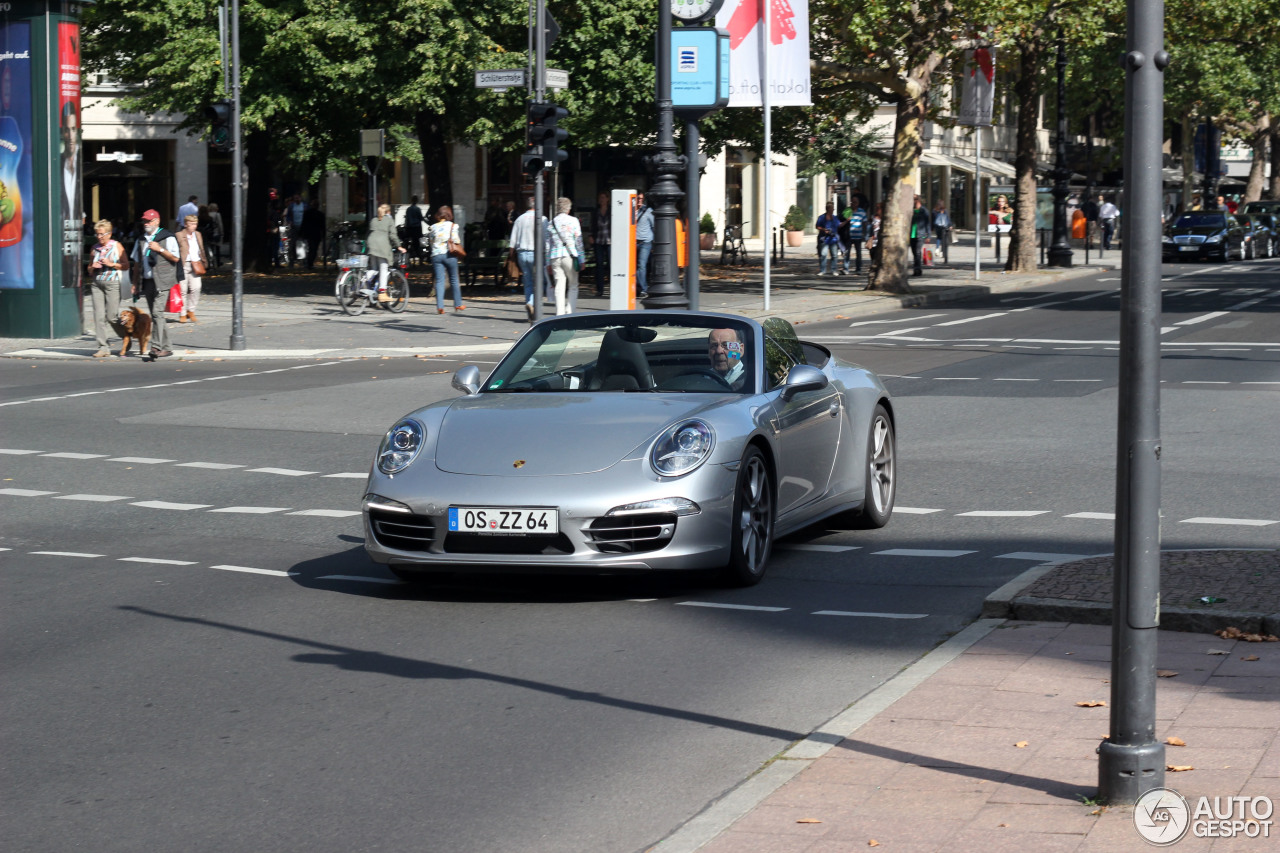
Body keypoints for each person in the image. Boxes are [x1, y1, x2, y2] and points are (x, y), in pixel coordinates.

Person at [128, 209, 177, 358]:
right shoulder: (141, 239)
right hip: (148, 281)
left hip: (163, 280)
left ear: (157, 221)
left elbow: (175, 258)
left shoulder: (167, 237)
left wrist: (160, 249)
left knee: (157, 313)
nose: (146, 224)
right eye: (144, 221)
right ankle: (167, 347)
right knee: (158, 315)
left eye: (149, 221)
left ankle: (156, 347)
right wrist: (135, 283)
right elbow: (136, 263)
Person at [86, 219, 127, 358]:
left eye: (102, 234)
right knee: (98, 316)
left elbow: (126, 265)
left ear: (109, 234)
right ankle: (103, 347)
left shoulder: (117, 246)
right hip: (97, 284)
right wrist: (93, 267)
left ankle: (126, 336)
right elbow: (89, 269)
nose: (99, 237)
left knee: (112, 316)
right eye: (97, 234)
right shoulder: (94, 248)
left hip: (113, 283)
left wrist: (112, 264)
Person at [508, 197, 548, 323]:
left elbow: (512, 240)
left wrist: (511, 255)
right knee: (540, 282)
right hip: (536, 254)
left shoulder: (520, 219)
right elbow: (546, 238)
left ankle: (529, 310)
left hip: (522, 254)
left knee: (528, 281)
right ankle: (532, 304)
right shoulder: (542, 219)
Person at [547, 197, 585, 315]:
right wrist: (582, 259)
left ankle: (559, 313)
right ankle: (570, 311)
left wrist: (547, 262)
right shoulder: (574, 221)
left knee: (559, 285)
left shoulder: (551, 223)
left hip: (555, 256)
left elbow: (547, 244)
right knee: (573, 284)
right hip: (570, 255)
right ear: (568, 209)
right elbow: (578, 242)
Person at [428, 205, 465, 314]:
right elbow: (456, 240)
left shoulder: (433, 227)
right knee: (454, 279)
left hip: (436, 256)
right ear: (449, 214)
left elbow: (431, 242)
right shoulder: (452, 226)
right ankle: (458, 304)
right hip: (449, 255)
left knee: (439, 281)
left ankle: (440, 306)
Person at [366, 202, 403, 304]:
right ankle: (382, 292)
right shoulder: (389, 220)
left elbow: (370, 232)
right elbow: (393, 235)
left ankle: (364, 281)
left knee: (373, 269)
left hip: (371, 244)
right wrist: (399, 246)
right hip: (382, 246)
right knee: (383, 268)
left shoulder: (373, 220)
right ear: (388, 212)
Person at [176, 213, 208, 323]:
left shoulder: (198, 234)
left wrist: (204, 261)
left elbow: (201, 248)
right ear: (185, 224)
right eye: (191, 224)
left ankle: (191, 310)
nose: (194, 226)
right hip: (184, 264)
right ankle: (183, 313)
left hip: (196, 264)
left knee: (196, 287)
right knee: (182, 290)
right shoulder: (179, 235)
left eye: (195, 224)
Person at [839, 200, 869, 274]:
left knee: (858, 253)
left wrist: (866, 235)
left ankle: (858, 269)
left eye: (855, 202)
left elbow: (865, 223)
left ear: (858, 203)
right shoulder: (848, 210)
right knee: (847, 253)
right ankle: (846, 269)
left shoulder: (862, 212)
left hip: (858, 236)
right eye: (852, 202)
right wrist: (846, 219)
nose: (853, 204)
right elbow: (842, 219)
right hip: (848, 236)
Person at [633, 192, 654, 298]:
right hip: (633, 242)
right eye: (638, 198)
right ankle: (638, 288)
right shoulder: (630, 211)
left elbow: (654, 226)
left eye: (641, 199)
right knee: (633, 267)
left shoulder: (648, 211)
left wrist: (653, 243)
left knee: (641, 265)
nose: (639, 200)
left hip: (645, 242)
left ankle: (643, 289)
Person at [591, 192, 610, 297]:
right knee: (599, 265)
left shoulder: (611, 210)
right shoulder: (596, 211)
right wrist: (591, 235)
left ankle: (613, 287)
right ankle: (600, 289)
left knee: (611, 264)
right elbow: (592, 224)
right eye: (600, 198)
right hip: (598, 240)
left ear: (607, 199)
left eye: (603, 197)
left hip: (609, 240)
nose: (601, 200)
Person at [815, 201, 842, 276]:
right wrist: (824, 230)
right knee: (823, 254)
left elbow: (839, 225)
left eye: (833, 208)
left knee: (834, 255)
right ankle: (822, 270)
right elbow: (817, 226)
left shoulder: (835, 218)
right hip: (824, 239)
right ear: (828, 209)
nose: (833, 210)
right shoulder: (821, 217)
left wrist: (847, 221)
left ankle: (834, 270)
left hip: (833, 239)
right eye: (832, 208)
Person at [910, 196, 931, 276]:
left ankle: (917, 269)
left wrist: (928, 236)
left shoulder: (924, 211)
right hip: (912, 234)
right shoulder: (911, 210)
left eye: (914, 199)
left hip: (920, 234)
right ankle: (917, 268)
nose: (913, 201)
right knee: (914, 252)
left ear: (918, 201)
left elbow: (927, 224)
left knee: (918, 252)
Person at [301, 202, 325, 268]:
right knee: (314, 249)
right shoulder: (320, 214)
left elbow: (303, 224)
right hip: (316, 234)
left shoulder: (307, 213)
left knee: (311, 248)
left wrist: (301, 233)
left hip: (309, 234)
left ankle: (309, 263)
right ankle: (310, 263)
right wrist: (323, 234)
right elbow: (323, 226)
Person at [404, 195, 425, 262]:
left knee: (407, 243)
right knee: (417, 244)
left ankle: (407, 257)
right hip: (416, 228)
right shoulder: (417, 209)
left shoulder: (408, 209)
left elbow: (407, 219)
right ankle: (420, 258)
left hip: (409, 228)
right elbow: (421, 218)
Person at [932, 200, 953, 264]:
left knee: (938, 238)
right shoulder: (944, 210)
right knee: (945, 243)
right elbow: (948, 219)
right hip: (945, 228)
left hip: (938, 228)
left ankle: (937, 248)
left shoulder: (934, 211)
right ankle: (944, 256)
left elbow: (933, 220)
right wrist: (950, 225)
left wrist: (931, 228)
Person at [205, 202, 224, 267]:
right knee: (218, 249)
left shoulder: (207, 214)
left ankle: (211, 263)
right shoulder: (217, 214)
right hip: (216, 233)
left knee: (210, 249)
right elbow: (220, 224)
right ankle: (218, 262)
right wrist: (222, 233)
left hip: (209, 233)